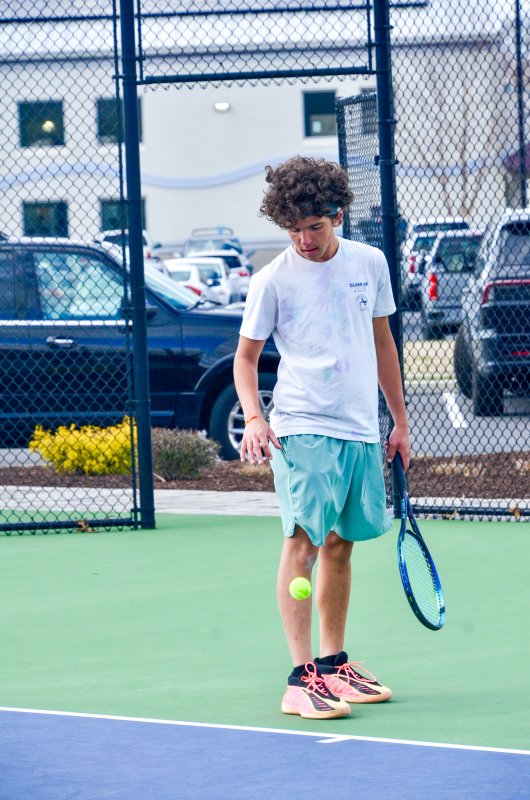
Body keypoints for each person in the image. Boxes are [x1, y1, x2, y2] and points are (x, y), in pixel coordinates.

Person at [233, 156, 410, 720]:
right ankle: (299, 678)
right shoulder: (272, 280)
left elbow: (383, 345)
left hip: (360, 426)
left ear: (337, 215)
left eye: (314, 226)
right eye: (293, 229)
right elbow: (246, 358)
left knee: (340, 544)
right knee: (303, 543)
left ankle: (334, 666)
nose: (304, 240)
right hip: (303, 426)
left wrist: (399, 422)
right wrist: (256, 419)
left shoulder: (370, 262)